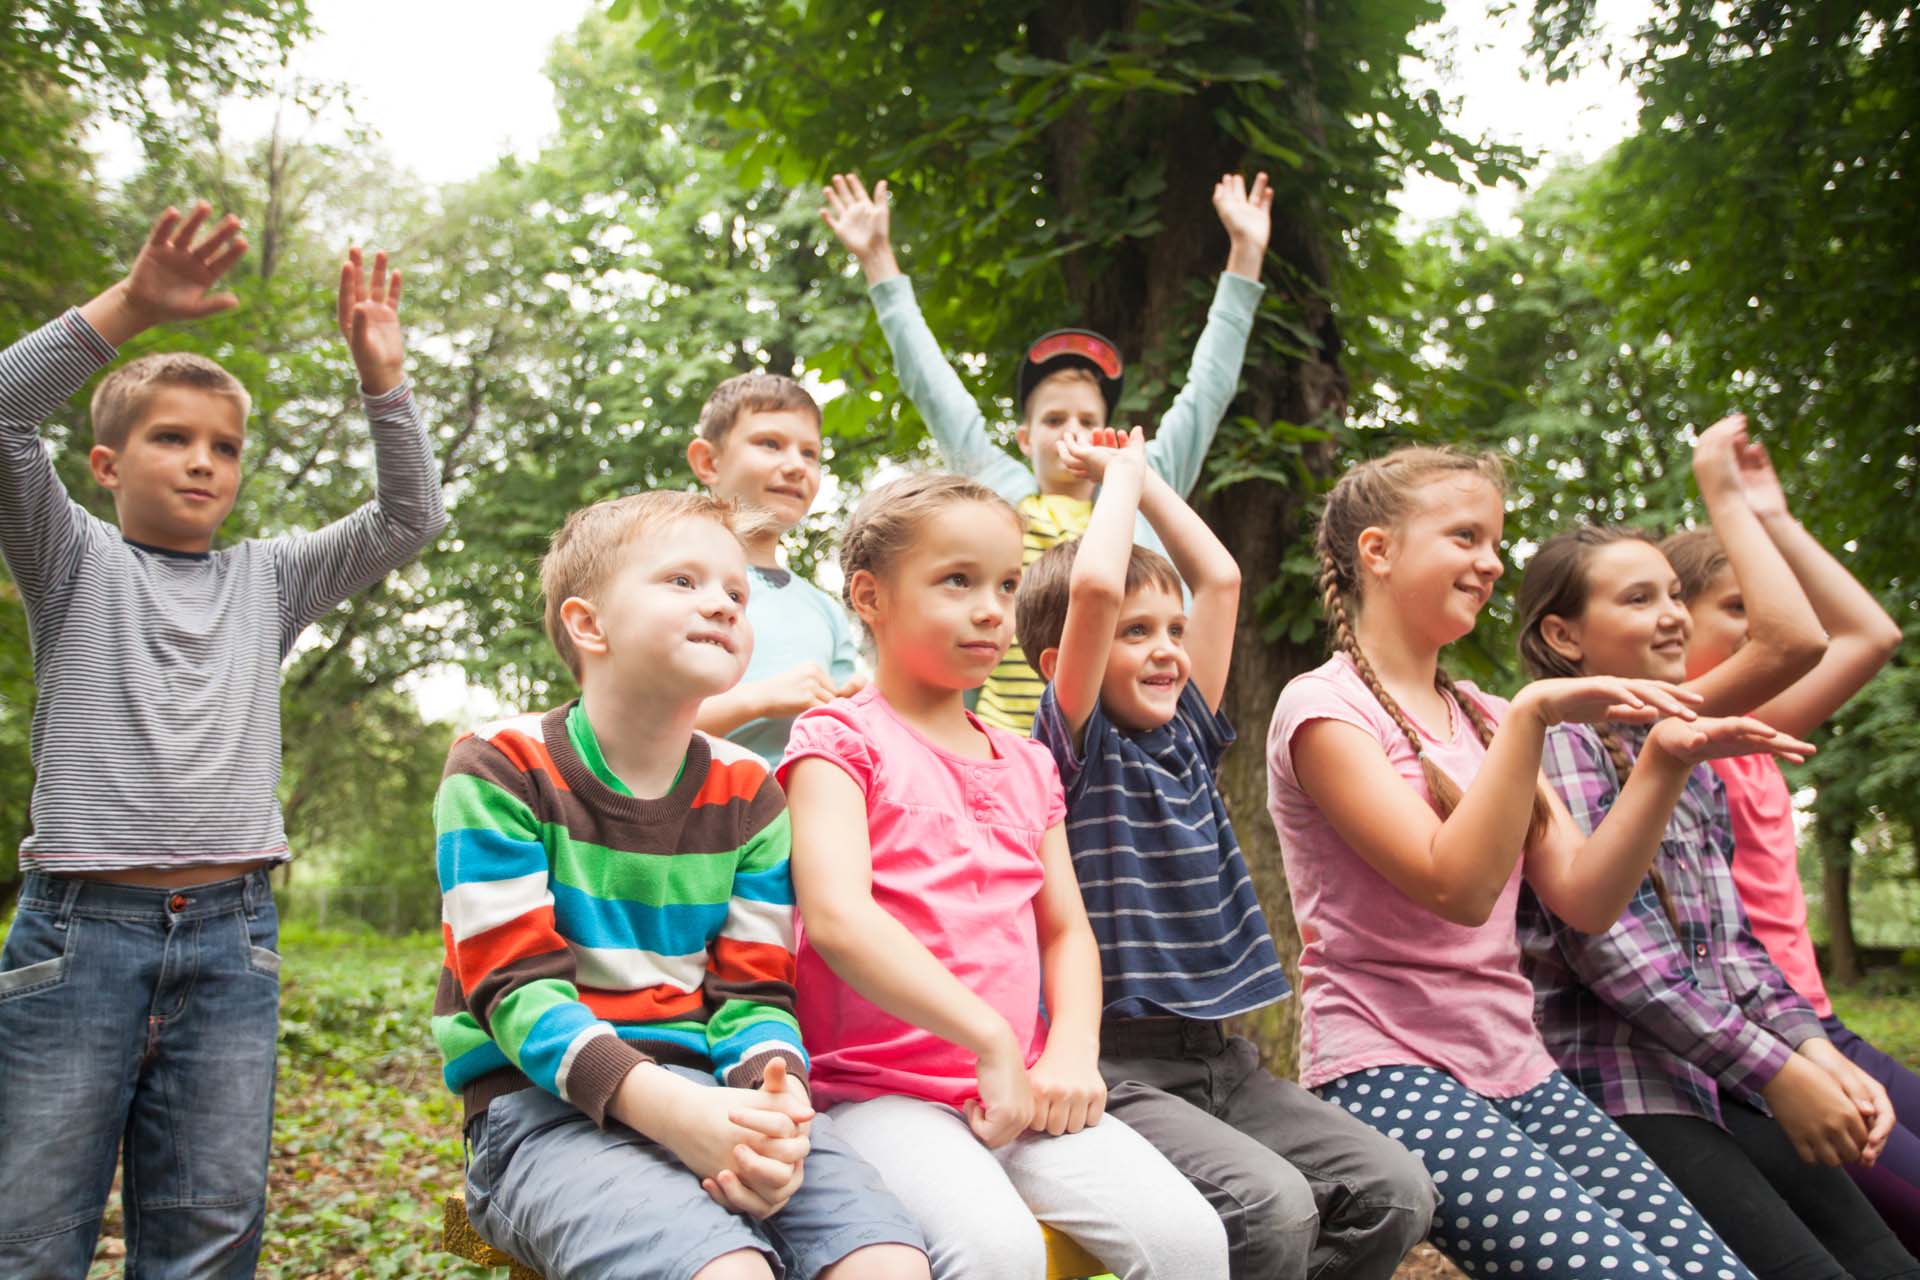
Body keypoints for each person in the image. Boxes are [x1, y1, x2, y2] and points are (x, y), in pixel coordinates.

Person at [0, 202, 446, 1276]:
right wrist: (133, 308)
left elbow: (408, 518)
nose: (204, 462)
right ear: (104, 465)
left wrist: (381, 378)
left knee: (207, 1237)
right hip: (80, 935)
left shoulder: (270, 579)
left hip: (232, 941)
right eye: (172, 437)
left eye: (225, 447)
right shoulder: (71, 561)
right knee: (29, 1232)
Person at [1268, 442, 1805, 1278]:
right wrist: (1534, 719)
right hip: (1385, 1065)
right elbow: (1458, 886)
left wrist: (1664, 760)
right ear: (1377, 551)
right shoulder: (1323, 710)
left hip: (1517, 1062)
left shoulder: (1482, 715)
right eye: (1465, 538)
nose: (1489, 564)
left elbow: (1586, 901)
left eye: (1494, 542)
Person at [433, 490, 928, 1280]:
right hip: (537, 1113)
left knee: (887, 1261)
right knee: (726, 1271)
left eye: (735, 591)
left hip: (711, 1089)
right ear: (588, 625)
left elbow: (755, 995)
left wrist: (776, 1096)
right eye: (683, 582)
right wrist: (673, 1114)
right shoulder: (500, 766)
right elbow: (512, 990)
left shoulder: (753, 794)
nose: (723, 605)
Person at [780, 472, 1229, 1279]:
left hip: (1024, 1090)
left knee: (1190, 1243)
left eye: (1008, 584)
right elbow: (839, 919)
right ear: (870, 595)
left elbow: (1065, 929)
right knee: (997, 1253)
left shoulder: (1026, 762)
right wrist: (987, 1036)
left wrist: (1072, 1051)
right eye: (958, 581)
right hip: (880, 1094)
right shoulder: (839, 740)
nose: (993, 608)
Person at [1019, 424, 1436, 1279]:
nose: (1169, 648)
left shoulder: (1187, 740)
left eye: (1174, 630)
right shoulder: (1069, 752)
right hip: (1115, 1059)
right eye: (1138, 634)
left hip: (1218, 1054)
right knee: (1270, 1209)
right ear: (1067, 662)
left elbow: (1221, 577)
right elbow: (1094, 586)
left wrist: (1142, 481)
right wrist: (1122, 478)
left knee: (1397, 1191)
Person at [1515, 415, 1920, 1280]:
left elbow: (1733, 948)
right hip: (1621, 1081)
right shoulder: (1561, 743)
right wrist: (1780, 1071)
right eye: (1639, 600)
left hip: (1716, 1069)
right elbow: (1613, 953)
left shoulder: (1686, 751)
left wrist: (1808, 1052)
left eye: (1672, 595)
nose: (1671, 619)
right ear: (1563, 638)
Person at [821, 168, 1270, 731]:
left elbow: (1208, 389)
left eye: (1089, 419)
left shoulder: (1141, 490)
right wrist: (879, 260)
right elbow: (932, 385)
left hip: (1119, 749)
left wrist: (1247, 254)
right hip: (1014, 748)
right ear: (1026, 439)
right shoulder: (997, 497)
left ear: (1112, 432)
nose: (1073, 432)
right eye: (1055, 419)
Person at [1664, 497, 1920, 1251]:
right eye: (1736, 606)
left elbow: (1873, 634)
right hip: (1758, 1039)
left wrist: (1774, 515)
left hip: (1818, 1019)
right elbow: (1798, 640)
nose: (1758, 622)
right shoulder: (1671, 731)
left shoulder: (1754, 733)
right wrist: (1727, 494)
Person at [687, 371, 864, 765]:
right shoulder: (675, 584)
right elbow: (632, 716)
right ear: (708, 461)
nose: (796, 466)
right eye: (770, 444)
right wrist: (757, 700)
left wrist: (856, 707)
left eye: (810, 453)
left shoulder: (827, 610)